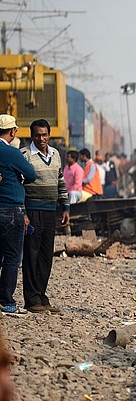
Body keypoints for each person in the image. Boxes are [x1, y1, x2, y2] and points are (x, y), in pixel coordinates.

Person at [20, 118, 70, 314]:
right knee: (31, 255)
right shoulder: (24, 155)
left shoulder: (56, 154)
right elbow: (19, 185)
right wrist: (23, 212)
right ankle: (31, 300)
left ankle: (42, 296)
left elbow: (61, 182)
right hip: (32, 211)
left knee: (45, 256)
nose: (41, 138)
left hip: (50, 212)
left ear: (49, 135)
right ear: (31, 136)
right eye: (37, 135)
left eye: (44, 134)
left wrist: (65, 207)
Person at [0, 114, 36, 316]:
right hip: (10, 210)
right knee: (12, 258)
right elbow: (31, 174)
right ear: (12, 131)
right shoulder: (11, 153)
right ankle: (6, 301)